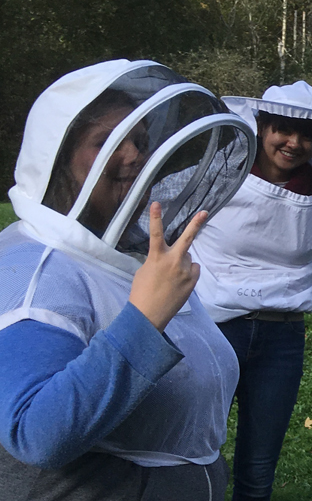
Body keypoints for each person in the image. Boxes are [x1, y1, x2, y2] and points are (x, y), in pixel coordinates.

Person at [0, 59, 256, 500]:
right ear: (60, 161)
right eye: (107, 142)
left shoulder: (124, 258)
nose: (135, 155)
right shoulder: (35, 269)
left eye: (139, 141)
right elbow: (35, 433)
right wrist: (145, 318)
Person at [191, 81, 312, 501]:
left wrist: (301, 274)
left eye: (306, 135)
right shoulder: (218, 179)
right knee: (192, 453)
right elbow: (171, 226)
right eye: (283, 130)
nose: (294, 142)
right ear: (261, 128)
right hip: (211, 333)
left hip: (281, 339)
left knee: (257, 468)